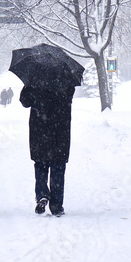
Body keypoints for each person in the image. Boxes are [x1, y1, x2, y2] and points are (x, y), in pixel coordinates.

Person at [19, 84, 75, 216]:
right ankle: (56, 206)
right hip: (60, 132)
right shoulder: (66, 81)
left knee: (40, 165)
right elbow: (69, 98)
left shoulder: (34, 81)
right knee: (58, 169)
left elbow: (25, 101)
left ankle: (42, 194)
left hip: (39, 131)